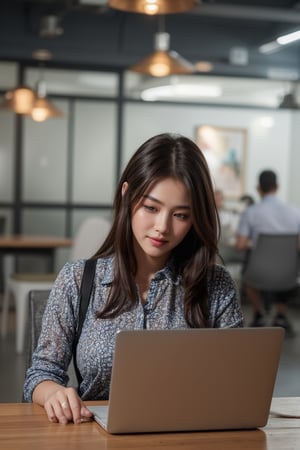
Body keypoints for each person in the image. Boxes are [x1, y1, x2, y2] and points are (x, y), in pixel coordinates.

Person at [23, 133, 243, 425]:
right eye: (151, 208)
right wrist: (53, 394)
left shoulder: (215, 286)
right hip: (94, 439)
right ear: (127, 194)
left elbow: (239, 381)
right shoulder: (78, 280)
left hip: (186, 437)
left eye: (180, 215)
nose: (162, 227)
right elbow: (41, 374)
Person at [236, 169, 300, 332]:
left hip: (259, 273)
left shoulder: (251, 212)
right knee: (283, 271)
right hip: (288, 273)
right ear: (277, 187)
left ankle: (259, 313)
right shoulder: (295, 212)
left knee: (248, 275)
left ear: (258, 188)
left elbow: (240, 245)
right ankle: (281, 316)